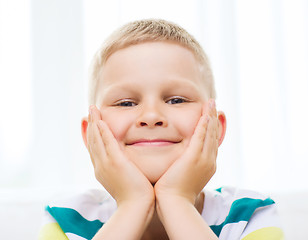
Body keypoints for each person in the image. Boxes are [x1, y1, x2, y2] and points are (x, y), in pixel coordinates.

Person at [38, 19, 284, 240]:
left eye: (176, 100)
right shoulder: (66, 221)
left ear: (216, 128)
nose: (152, 116)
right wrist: (133, 204)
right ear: (90, 132)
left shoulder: (251, 215)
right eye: (126, 103)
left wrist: (176, 199)